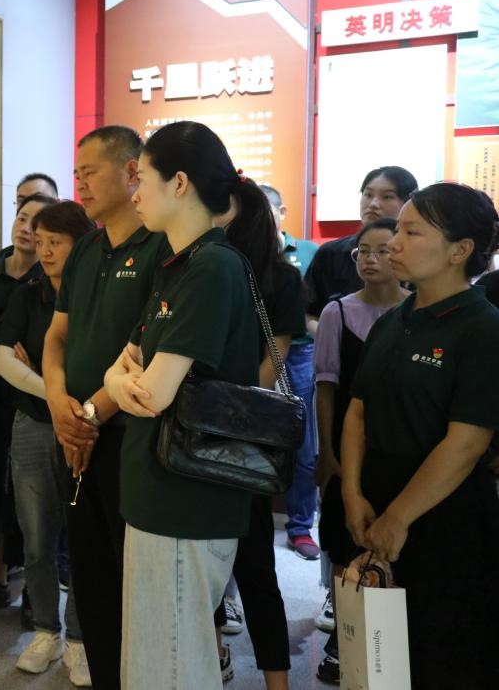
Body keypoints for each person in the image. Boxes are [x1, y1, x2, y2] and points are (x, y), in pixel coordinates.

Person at [103, 120, 261, 688]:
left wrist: (123, 383)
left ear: (179, 183)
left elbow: (150, 392)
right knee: (155, 655)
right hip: (156, 490)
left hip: (186, 500)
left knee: (171, 663)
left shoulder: (213, 265)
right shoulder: (177, 265)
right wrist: (120, 381)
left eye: (142, 178)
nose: (134, 193)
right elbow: (123, 366)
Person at [342, 183, 499, 690]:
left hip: (445, 515)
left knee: (442, 654)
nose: (393, 243)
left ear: (460, 250)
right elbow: (358, 411)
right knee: (380, 658)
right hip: (377, 502)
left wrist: (398, 518)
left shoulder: (483, 328)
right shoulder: (394, 321)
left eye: (412, 232)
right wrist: (352, 494)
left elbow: (466, 443)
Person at [43, 125, 171, 688]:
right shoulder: (86, 249)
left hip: (131, 437)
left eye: (90, 172)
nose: (81, 184)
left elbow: (151, 354)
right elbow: (56, 338)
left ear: (131, 171)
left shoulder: (163, 245)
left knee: (136, 580)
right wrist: (58, 403)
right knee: (90, 575)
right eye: (76, 174)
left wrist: (90, 415)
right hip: (74, 434)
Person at [0, 200, 94, 685]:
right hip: (34, 424)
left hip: (88, 426)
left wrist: (40, 374)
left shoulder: (95, 293)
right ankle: (46, 632)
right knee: (36, 538)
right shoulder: (28, 293)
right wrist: (54, 393)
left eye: (57, 242)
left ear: (81, 245)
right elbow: (0, 360)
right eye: (41, 240)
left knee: (84, 539)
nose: (46, 251)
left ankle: (79, 640)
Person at [210, 179, 306, 689]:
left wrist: (230, 409)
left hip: (242, 432)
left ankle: (277, 681)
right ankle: (215, 656)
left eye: (218, 208)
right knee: (203, 565)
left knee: (256, 569)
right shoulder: (196, 267)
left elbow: (276, 357)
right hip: (196, 425)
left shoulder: (281, 277)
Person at [311, 218, 409, 684]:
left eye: (381, 250)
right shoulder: (338, 311)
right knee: (342, 536)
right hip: (346, 447)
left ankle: (391, 641)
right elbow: (326, 388)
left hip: (397, 448)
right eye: (362, 252)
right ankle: (345, 636)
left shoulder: (416, 312)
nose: (370, 259)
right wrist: (326, 452)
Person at [0, 191, 55, 619]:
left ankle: (36, 589)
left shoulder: (50, 279)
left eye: (37, 223)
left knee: (27, 495)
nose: (26, 228)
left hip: (31, 398)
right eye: (22, 217)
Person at [260, 183, 322, 562]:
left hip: (299, 352)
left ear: (282, 213)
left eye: (267, 212)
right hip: (256, 351)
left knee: (303, 442)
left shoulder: (310, 252)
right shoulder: (242, 253)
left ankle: (300, 525)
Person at [303, 166, 417, 328]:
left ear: (408, 204)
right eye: (368, 195)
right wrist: (333, 336)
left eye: (387, 197)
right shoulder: (331, 253)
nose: (373, 204)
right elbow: (310, 312)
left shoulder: (418, 255)